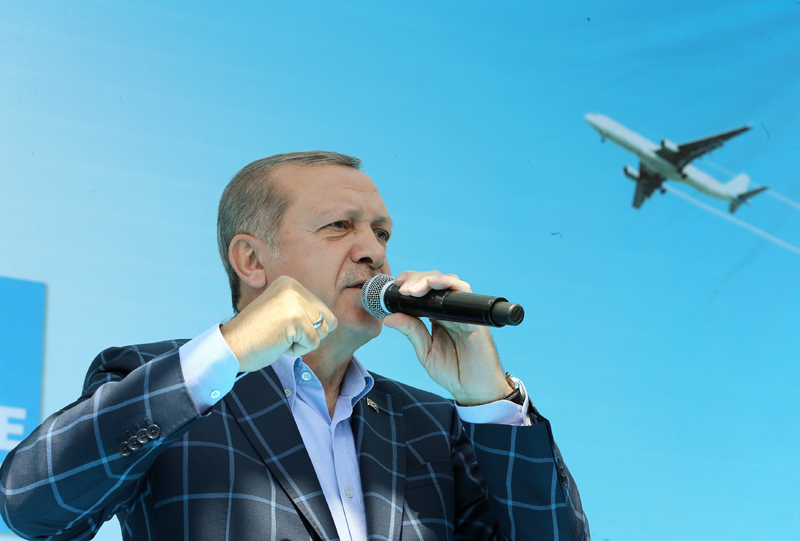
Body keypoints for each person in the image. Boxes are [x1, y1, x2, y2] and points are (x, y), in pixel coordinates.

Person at [0, 151, 590, 540]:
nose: (372, 252)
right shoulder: (161, 378)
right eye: (340, 227)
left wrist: (486, 399)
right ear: (251, 259)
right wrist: (224, 352)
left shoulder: (433, 424)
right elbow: (32, 506)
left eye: (380, 232)